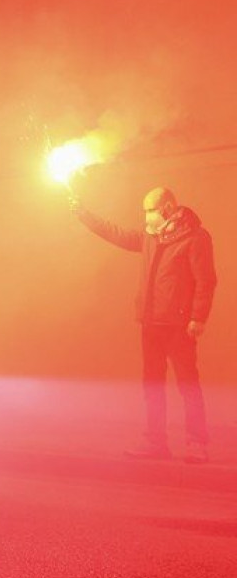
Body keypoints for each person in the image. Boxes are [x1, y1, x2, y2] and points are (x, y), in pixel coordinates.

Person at [73, 187, 215, 464]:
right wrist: (84, 215)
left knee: (188, 384)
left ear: (168, 208)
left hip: (179, 325)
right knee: (153, 385)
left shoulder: (196, 238)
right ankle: (155, 441)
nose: (146, 216)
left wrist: (198, 317)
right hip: (151, 323)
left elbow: (206, 280)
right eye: (145, 210)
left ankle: (197, 443)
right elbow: (118, 234)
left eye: (150, 210)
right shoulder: (151, 238)